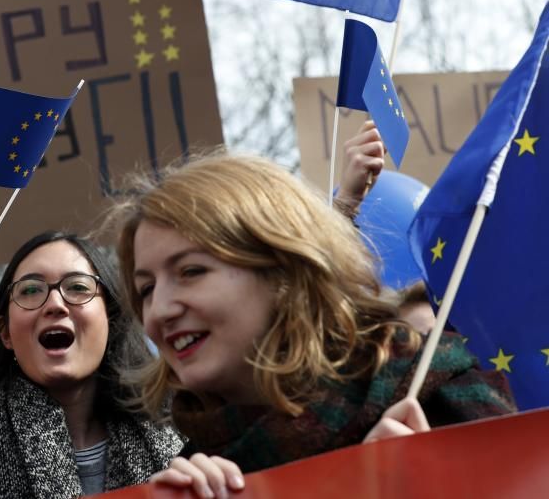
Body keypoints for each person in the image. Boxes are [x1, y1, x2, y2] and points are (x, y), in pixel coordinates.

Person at [111, 151, 516, 497]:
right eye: (145, 289)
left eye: (191, 271)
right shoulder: (191, 477)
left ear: (284, 272)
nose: (159, 310)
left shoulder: (434, 392)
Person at [0, 231, 183, 499]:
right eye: (31, 290)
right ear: (6, 333)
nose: (55, 304)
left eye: (78, 287)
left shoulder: (185, 423)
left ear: (109, 318)